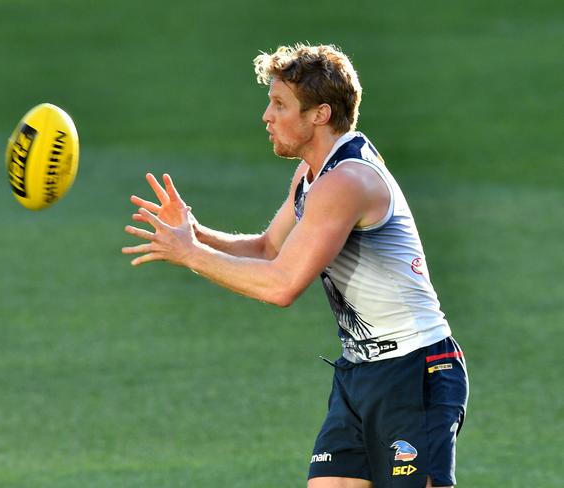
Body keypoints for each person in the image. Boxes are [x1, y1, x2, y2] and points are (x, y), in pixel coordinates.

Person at [122, 43, 469, 488]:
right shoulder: (313, 176)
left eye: (279, 104)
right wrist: (195, 232)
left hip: (414, 371)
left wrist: (189, 253)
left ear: (319, 115)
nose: (267, 116)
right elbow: (269, 248)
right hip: (359, 373)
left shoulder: (347, 181)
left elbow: (282, 285)